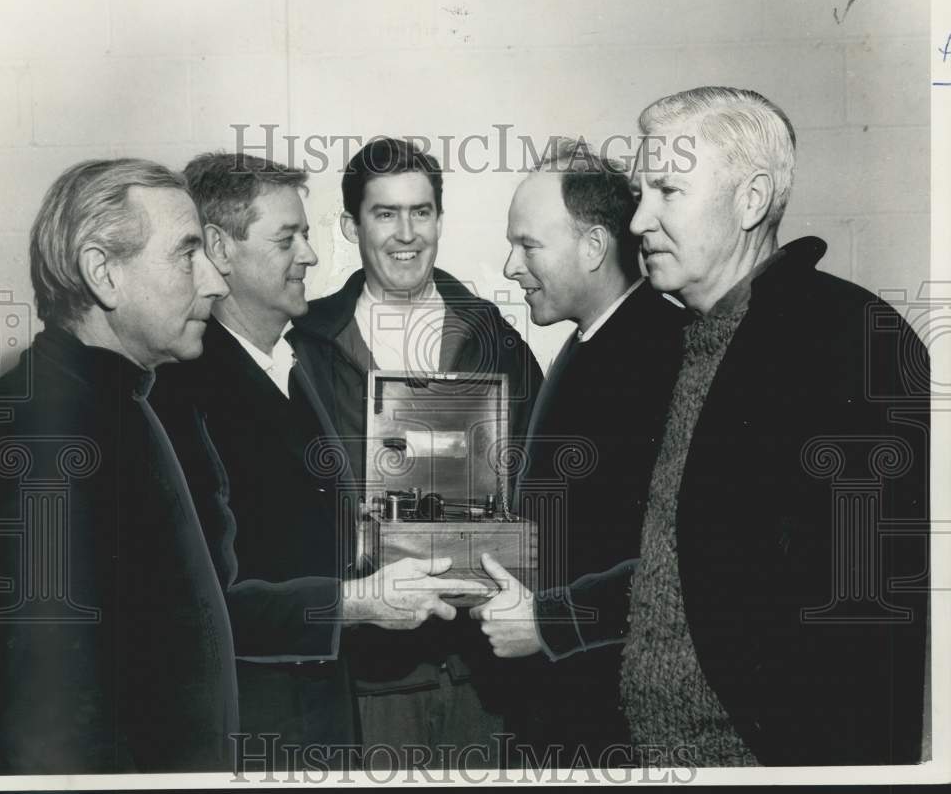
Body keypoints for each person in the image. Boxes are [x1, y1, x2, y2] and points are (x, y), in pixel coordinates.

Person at [480, 86, 930, 767]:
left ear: (750, 201)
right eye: (643, 193)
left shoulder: (847, 339)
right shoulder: (704, 337)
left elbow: (863, 626)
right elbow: (684, 569)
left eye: (667, 191)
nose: (639, 221)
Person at [153, 152, 488, 771]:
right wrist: (359, 602)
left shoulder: (290, 365)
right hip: (255, 735)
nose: (310, 256)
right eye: (288, 239)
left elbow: (302, 532)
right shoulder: (182, 390)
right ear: (221, 251)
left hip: (325, 716)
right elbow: (202, 603)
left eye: (306, 235)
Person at [0, 159, 239, 773]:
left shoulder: (115, 398)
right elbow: (51, 725)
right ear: (103, 274)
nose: (216, 281)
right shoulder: (43, 427)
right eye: (187, 253)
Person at [289, 137, 544, 768]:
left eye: (422, 212)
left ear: (439, 219)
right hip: (371, 673)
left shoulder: (493, 335)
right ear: (352, 225)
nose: (407, 234)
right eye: (385, 213)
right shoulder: (306, 346)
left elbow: (545, 477)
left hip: (484, 670)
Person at [473, 140, 686, 766]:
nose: (512, 266)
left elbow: (671, 565)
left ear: (593, 248)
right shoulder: (589, 342)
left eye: (528, 245)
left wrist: (545, 621)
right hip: (561, 703)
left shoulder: (660, 352)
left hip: (612, 722)